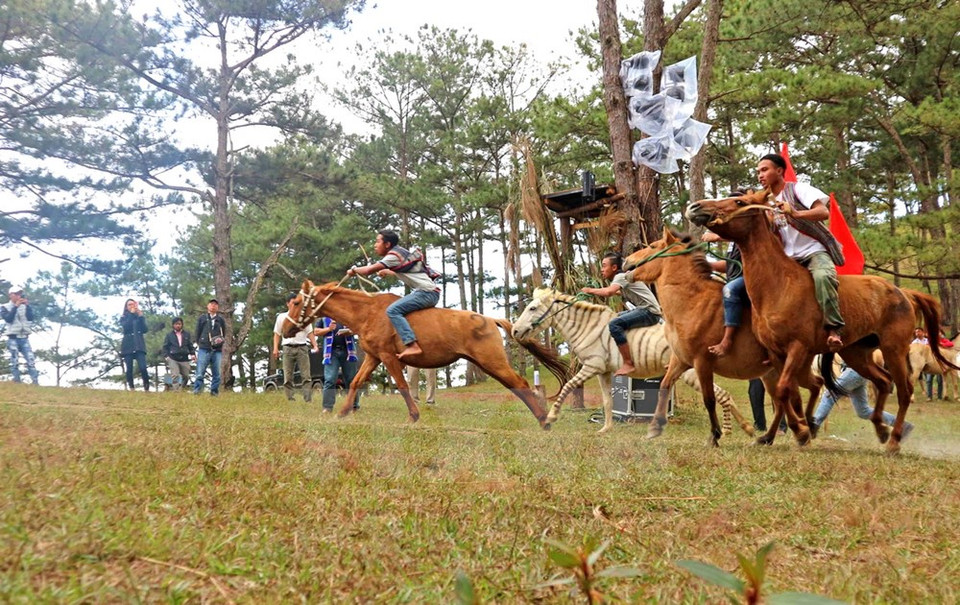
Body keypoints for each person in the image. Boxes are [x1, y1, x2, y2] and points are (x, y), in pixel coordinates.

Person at [758, 153, 846, 351]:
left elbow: (823, 212)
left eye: (764, 170)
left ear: (779, 171)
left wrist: (795, 213)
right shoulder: (764, 202)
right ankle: (771, 340)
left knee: (823, 277)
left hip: (812, 251)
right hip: (786, 258)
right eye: (758, 172)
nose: (760, 176)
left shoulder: (798, 189)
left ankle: (834, 328)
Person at [346, 230, 441, 361]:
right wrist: (387, 271)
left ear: (387, 244)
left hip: (426, 293)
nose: (375, 245)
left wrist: (354, 270)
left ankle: (412, 344)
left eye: (378, 241)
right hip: (429, 291)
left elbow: (368, 270)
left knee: (393, 310)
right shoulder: (400, 252)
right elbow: (408, 272)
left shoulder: (393, 256)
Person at [581, 251, 662, 375]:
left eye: (604, 265)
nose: (601, 269)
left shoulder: (620, 277)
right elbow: (617, 292)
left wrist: (590, 290)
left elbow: (609, 292)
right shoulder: (623, 278)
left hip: (649, 312)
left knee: (614, 324)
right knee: (614, 318)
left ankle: (628, 363)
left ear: (614, 267)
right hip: (644, 309)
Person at [811, 366, 913, 441]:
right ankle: (901, 425)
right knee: (863, 411)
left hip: (853, 371)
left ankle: (814, 425)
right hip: (861, 374)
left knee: (830, 394)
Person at [702, 229, 750, 358]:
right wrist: (709, 266)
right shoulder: (733, 243)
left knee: (730, 289)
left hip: (752, 278)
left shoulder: (742, 236)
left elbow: (743, 235)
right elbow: (730, 265)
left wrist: (717, 236)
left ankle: (727, 340)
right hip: (736, 278)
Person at [272, 293, 319, 402]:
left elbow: (310, 332)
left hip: (302, 347)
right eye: (293, 303)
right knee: (288, 376)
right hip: (287, 347)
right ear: (288, 304)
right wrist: (275, 348)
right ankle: (290, 398)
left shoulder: (303, 317)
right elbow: (277, 333)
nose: (295, 306)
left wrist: (315, 345)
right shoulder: (281, 317)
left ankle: (307, 399)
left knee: (306, 375)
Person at [315, 316, 361, 412]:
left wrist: (350, 331)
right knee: (330, 379)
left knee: (352, 379)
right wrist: (328, 329)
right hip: (331, 352)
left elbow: (358, 328)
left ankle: (354, 406)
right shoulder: (324, 317)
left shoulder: (347, 314)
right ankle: (327, 407)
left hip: (348, 351)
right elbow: (316, 331)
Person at [1, 285, 40, 384]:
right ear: (11, 295)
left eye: (19, 294)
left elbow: (31, 318)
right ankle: (17, 381)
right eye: (16, 294)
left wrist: (28, 306)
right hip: (13, 337)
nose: (19, 296)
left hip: (24, 337)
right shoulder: (4, 307)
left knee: (30, 359)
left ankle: (35, 381)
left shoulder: (24, 307)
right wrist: (15, 307)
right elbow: (8, 319)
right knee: (15, 361)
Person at [193, 298, 226, 396]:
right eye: (211, 304)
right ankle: (197, 390)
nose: (213, 306)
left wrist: (219, 343)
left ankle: (214, 391)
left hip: (217, 350)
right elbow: (197, 332)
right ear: (208, 306)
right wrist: (200, 343)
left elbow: (223, 333)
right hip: (204, 348)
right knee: (200, 372)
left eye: (215, 304)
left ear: (218, 307)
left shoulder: (220, 320)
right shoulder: (202, 318)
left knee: (217, 373)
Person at [120, 298, 150, 391]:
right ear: (126, 307)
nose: (131, 306)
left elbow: (145, 329)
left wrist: (141, 317)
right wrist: (132, 314)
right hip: (128, 345)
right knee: (129, 369)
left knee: (143, 367)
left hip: (139, 344)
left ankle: (146, 387)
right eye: (129, 304)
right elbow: (126, 327)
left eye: (133, 304)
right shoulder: (123, 317)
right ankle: (132, 387)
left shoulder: (138, 317)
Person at [161, 317, 195, 391]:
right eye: (176, 324)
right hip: (173, 358)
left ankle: (181, 388)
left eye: (179, 324)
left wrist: (193, 354)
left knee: (186, 376)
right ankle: (176, 391)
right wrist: (166, 356)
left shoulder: (186, 334)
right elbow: (165, 346)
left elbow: (190, 345)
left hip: (184, 358)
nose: (178, 326)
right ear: (173, 325)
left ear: (182, 325)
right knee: (175, 375)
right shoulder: (169, 335)